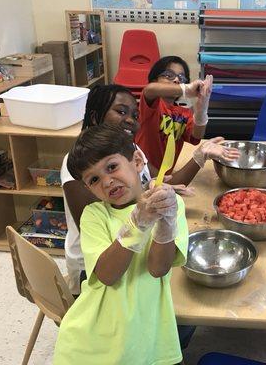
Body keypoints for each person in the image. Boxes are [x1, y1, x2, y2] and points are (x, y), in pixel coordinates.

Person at [61, 84, 238, 295]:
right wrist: (142, 210)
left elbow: (162, 180)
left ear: (135, 162)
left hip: (140, 252)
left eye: (134, 114)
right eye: (121, 111)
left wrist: (200, 156)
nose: (130, 119)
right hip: (95, 265)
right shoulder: (78, 168)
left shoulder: (132, 150)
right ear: (94, 115)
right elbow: (114, 213)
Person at [54, 124, 187, 364]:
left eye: (112, 167)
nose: (107, 181)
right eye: (94, 179)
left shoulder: (170, 203)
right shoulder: (94, 215)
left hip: (149, 331)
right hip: (97, 338)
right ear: (88, 188)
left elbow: (158, 268)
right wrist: (137, 223)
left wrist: (165, 221)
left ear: (137, 161)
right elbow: (107, 275)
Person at [135, 55, 213, 171]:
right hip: (141, 173)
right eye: (168, 75)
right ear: (154, 80)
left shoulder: (184, 113)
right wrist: (185, 89)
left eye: (181, 78)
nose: (177, 80)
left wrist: (201, 110)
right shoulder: (152, 105)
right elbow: (149, 90)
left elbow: (196, 136)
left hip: (165, 177)